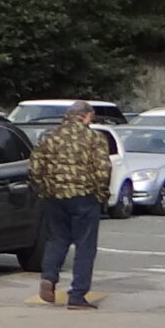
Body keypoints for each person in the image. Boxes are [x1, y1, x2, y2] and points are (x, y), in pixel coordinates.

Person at [31, 101, 111, 309]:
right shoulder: (94, 138)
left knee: (57, 239)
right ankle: (77, 295)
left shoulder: (50, 136)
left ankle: (48, 278)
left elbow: (36, 167)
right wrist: (101, 195)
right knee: (85, 246)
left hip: (54, 197)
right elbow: (103, 170)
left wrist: (45, 190)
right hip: (84, 196)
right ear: (86, 116)